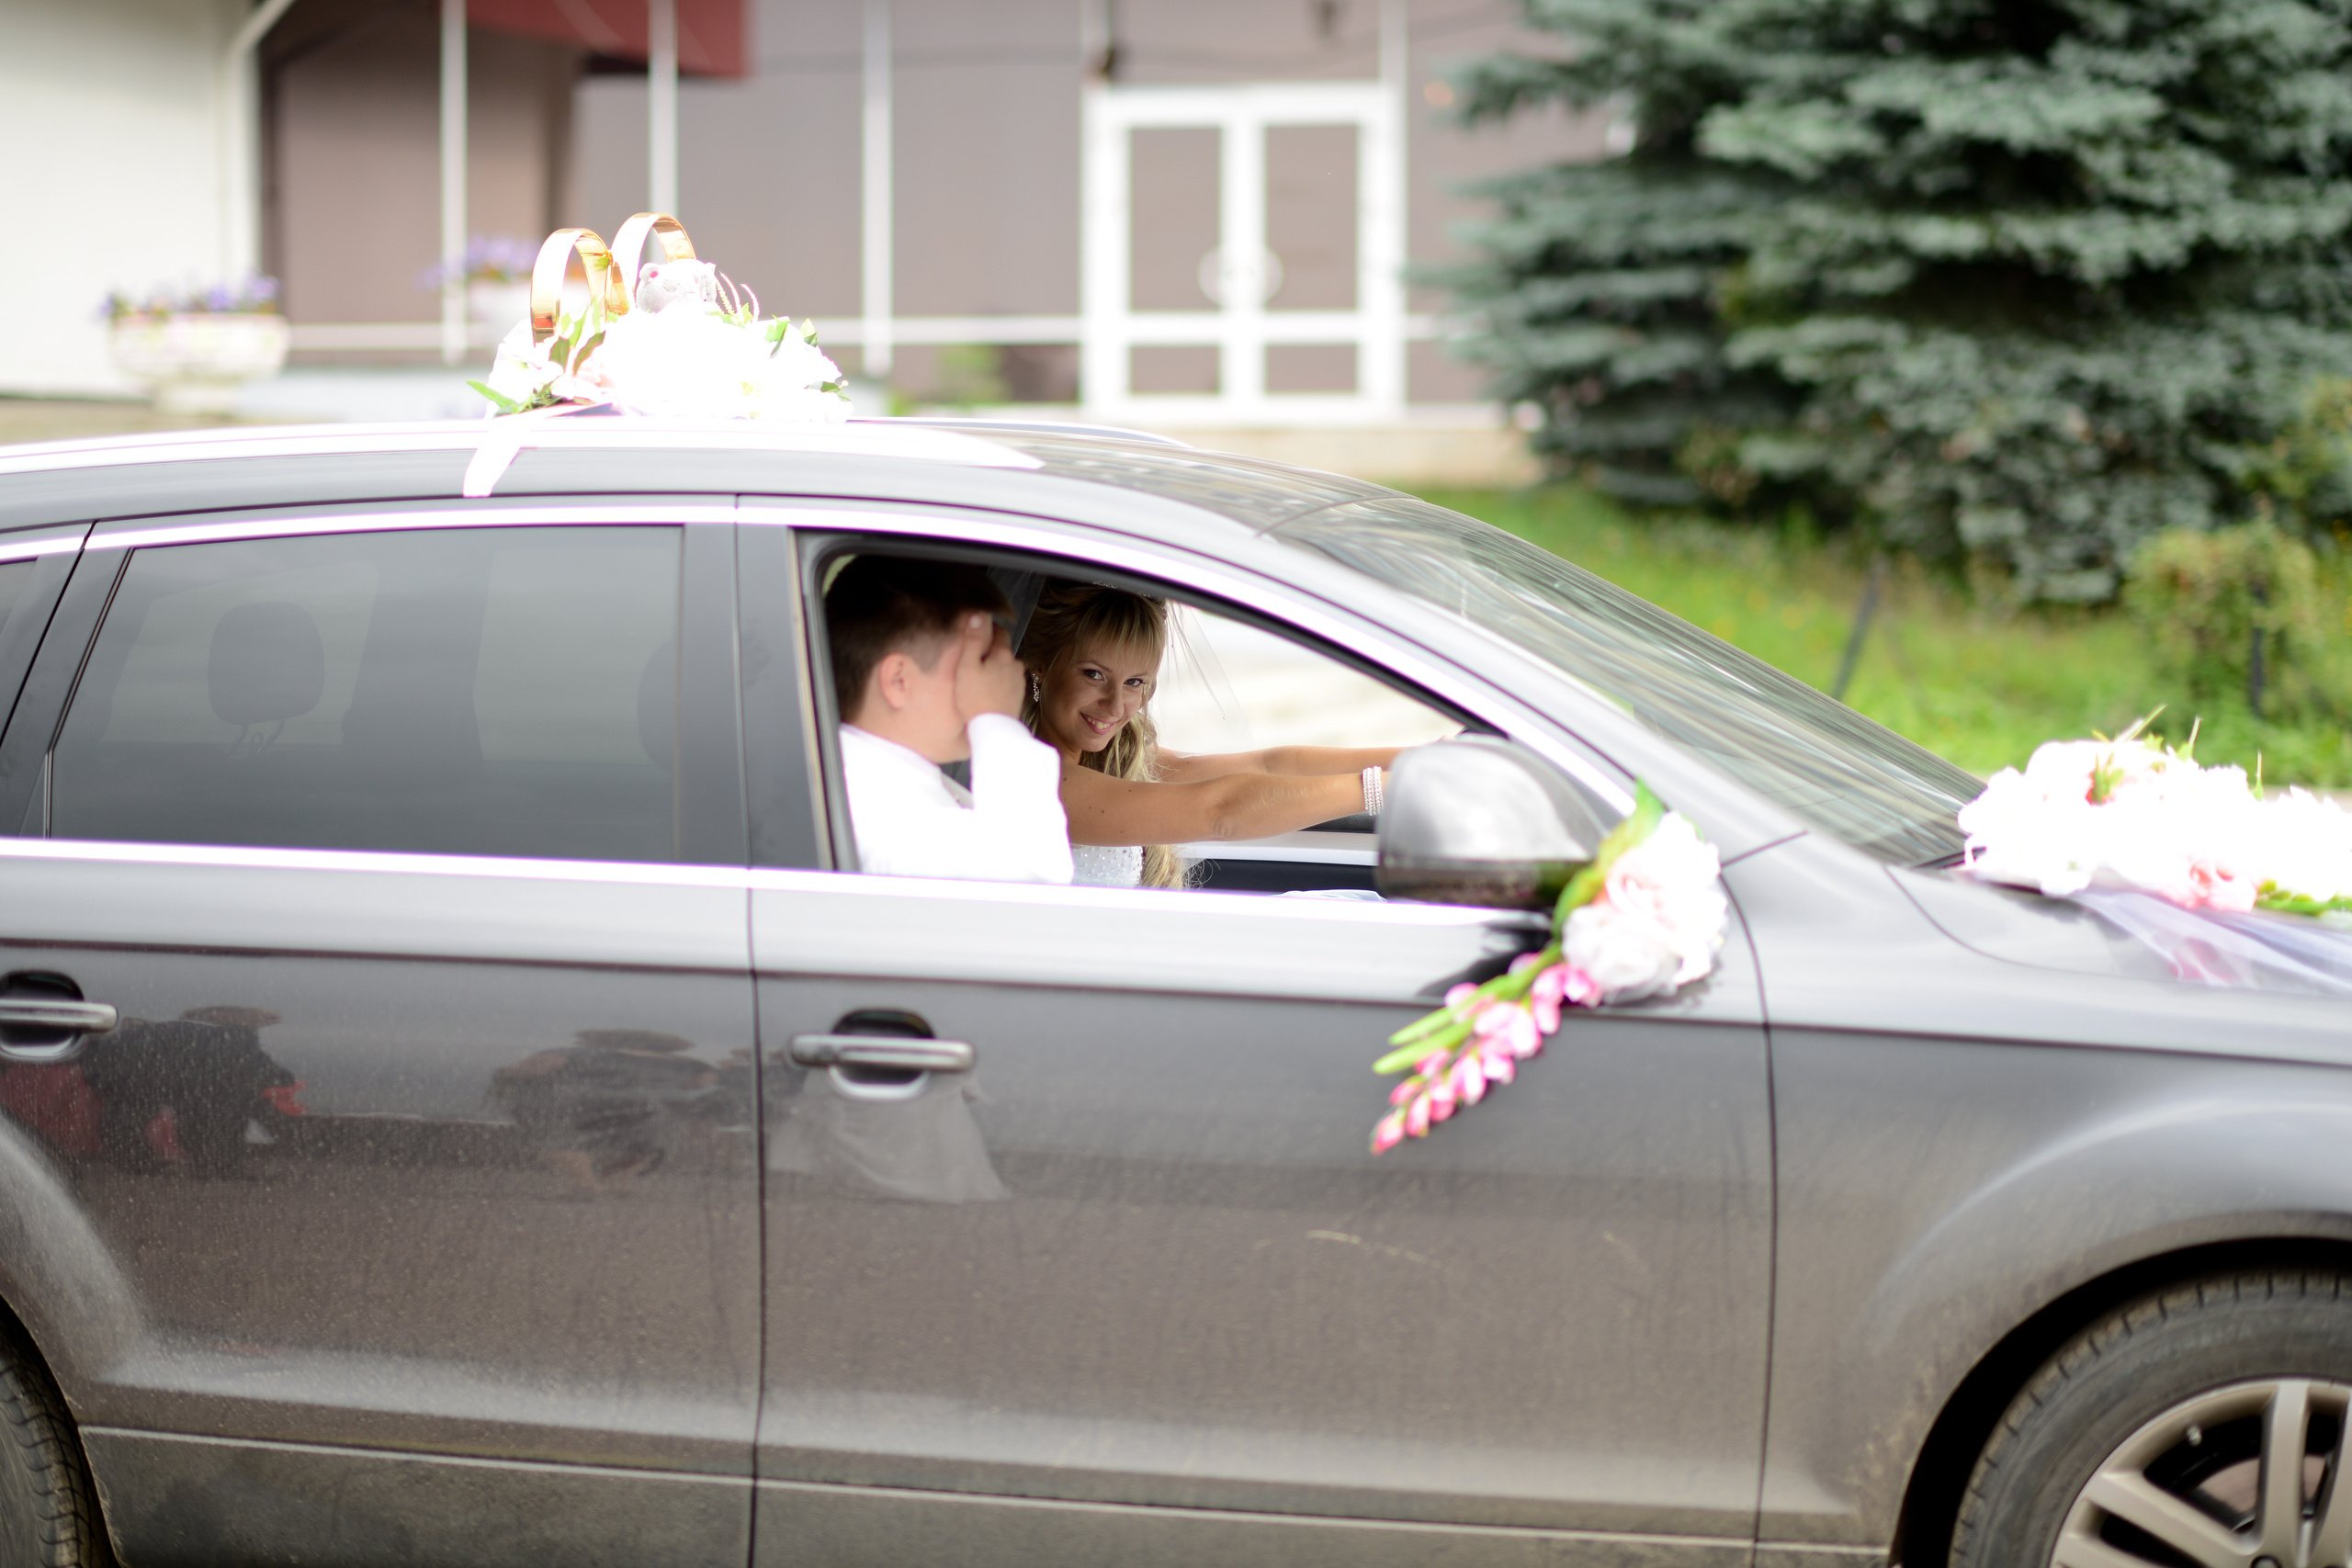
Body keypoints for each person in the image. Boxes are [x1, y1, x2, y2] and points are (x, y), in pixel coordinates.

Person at [1017, 581, 1412, 888]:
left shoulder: (1114, 758)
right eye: (1094, 675)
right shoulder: (1038, 781)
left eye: (1135, 682)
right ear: (1040, 665)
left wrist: (1414, 763)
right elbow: (1222, 811)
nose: (1116, 706)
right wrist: (1383, 788)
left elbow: (1266, 764)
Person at [828, 556, 1074, 883]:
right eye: (979, 662)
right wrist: (996, 718)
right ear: (899, 680)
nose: (999, 676)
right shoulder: (871, 810)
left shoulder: (884, 784)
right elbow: (1035, 873)